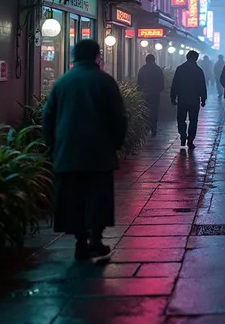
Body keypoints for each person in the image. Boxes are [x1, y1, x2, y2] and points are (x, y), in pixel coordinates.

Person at [42, 39, 127, 261]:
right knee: (98, 195)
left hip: (68, 151)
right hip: (99, 151)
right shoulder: (105, 81)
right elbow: (118, 117)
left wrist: (52, 146)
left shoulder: (62, 83)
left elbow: (48, 118)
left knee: (73, 197)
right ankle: (95, 239)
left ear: (74, 56)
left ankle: (80, 241)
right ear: (97, 56)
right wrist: (116, 143)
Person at [170, 50, 207, 149]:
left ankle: (183, 135)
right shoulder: (199, 71)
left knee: (181, 119)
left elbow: (175, 84)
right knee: (193, 120)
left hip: (183, 98)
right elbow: (202, 86)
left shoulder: (180, 69)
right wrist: (203, 98)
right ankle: (190, 140)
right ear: (196, 58)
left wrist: (173, 97)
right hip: (194, 99)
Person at [137, 53, 164, 136]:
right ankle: (153, 128)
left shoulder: (142, 69)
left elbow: (139, 83)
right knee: (154, 111)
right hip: (155, 93)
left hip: (145, 93)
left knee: (145, 111)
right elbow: (161, 83)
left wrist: (140, 90)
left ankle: (146, 127)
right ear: (154, 60)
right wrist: (159, 90)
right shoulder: (157, 69)